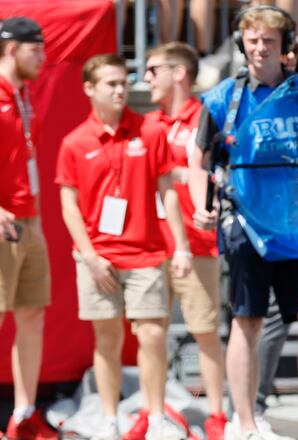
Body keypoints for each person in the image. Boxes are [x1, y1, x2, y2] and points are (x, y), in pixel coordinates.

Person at [191, 6, 298, 440]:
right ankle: (246, 424)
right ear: (243, 44)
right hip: (247, 226)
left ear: (286, 47)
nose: (260, 49)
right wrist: (199, 203)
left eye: (269, 42)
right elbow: (198, 160)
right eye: (253, 41)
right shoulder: (224, 96)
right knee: (247, 322)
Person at [56, 53, 192, 440]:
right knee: (107, 339)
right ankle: (108, 416)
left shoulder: (148, 131)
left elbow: (168, 194)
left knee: (151, 334)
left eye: (122, 82)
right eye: (110, 84)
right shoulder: (74, 142)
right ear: (89, 89)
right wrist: (90, 256)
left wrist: (180, 247)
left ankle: (155, 418)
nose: (120, 90)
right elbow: (68, 206)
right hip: (96, 257)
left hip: (145, 253)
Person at [116, 41, 226, 440]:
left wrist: (181, 175)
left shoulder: (207, 119)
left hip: (197, 244)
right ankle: (152, 410)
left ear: (179, 72)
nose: (145, 79)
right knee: (151, 333)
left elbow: (215, 174)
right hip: (151, 246)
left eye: (152, 69)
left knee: (205, 331)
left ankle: (216, 415)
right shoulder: (148, 124)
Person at [0, 16, 59, 440]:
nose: (42, 56)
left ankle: (23, 414)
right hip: (2, 219)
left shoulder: (23, 95)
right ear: (11, 49)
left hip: (28, 217)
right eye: (35, 49)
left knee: (32, 313)